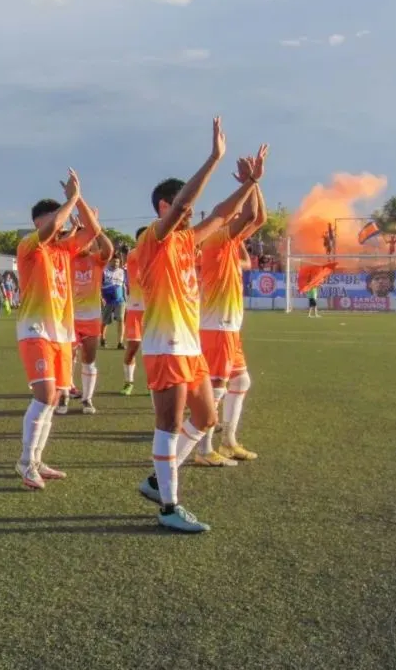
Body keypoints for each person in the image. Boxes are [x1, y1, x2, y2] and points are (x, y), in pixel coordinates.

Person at [135, 117, 262, 533]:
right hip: (165, 346)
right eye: (180, 206)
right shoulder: (153, 240)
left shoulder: (189, 242)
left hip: (190, 348)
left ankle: (157, 480)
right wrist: (213, 159)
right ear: (163, 208)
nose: (189, 213)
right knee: (168, 425)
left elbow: (224, 214)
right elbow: (191, 202)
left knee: (206, 417)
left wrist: (249, 184)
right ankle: (169, 506)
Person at [15, 168, 102, 489]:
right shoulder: (30, 246)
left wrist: (79, 203)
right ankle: (25, 462)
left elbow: (94, 233)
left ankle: (36, 459)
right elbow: (54, 226)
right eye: (55, 218)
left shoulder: (63, 250)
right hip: (36, 330)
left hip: (61, 335)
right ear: (39, 221)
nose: (63, 223)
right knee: (45, 396)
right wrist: (72, 200)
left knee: (52, 399)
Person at [195, 147, 268, 467]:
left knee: (240, 382)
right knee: (218, 387)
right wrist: (250, 181)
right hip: (217, 326)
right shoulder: (218, 238)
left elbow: (259, 217)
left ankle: (228, 440)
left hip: (227, 326)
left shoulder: (230, 241)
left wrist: (253, 183)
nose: (239, 216)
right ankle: (203, 448)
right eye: (233, 214)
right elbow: (250, 216)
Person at [63, 213, 114, 414]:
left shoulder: (96, 260)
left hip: (92, 319)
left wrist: (96, 227)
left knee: (89, 359)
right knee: (68, 357)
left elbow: (109, 249)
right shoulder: (68, 258)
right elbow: (62, 245)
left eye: (89, 238)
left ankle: (87, 399)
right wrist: (75, 230)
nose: (85, 243)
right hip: (70, 318)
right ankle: (64, 396)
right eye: (81, 239)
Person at [120, 229, 146, 396]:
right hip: (136, 309)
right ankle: (129, 382)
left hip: (156, 310)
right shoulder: (134, 255)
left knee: (157, 351)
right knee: (132, 348)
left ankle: (155, 384)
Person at [101, 255, 127, 349]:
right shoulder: (104, 271)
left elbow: (124, 285)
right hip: (107, 300)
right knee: (105, 322)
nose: (115, 263)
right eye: (114, 261)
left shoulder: (122, 272)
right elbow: (98, 285)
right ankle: (102, 338)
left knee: (120, 319)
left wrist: (126, 299)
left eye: (117, 262)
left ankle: (120, 342)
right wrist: (101, 298)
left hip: (120, 300)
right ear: (110, 261)